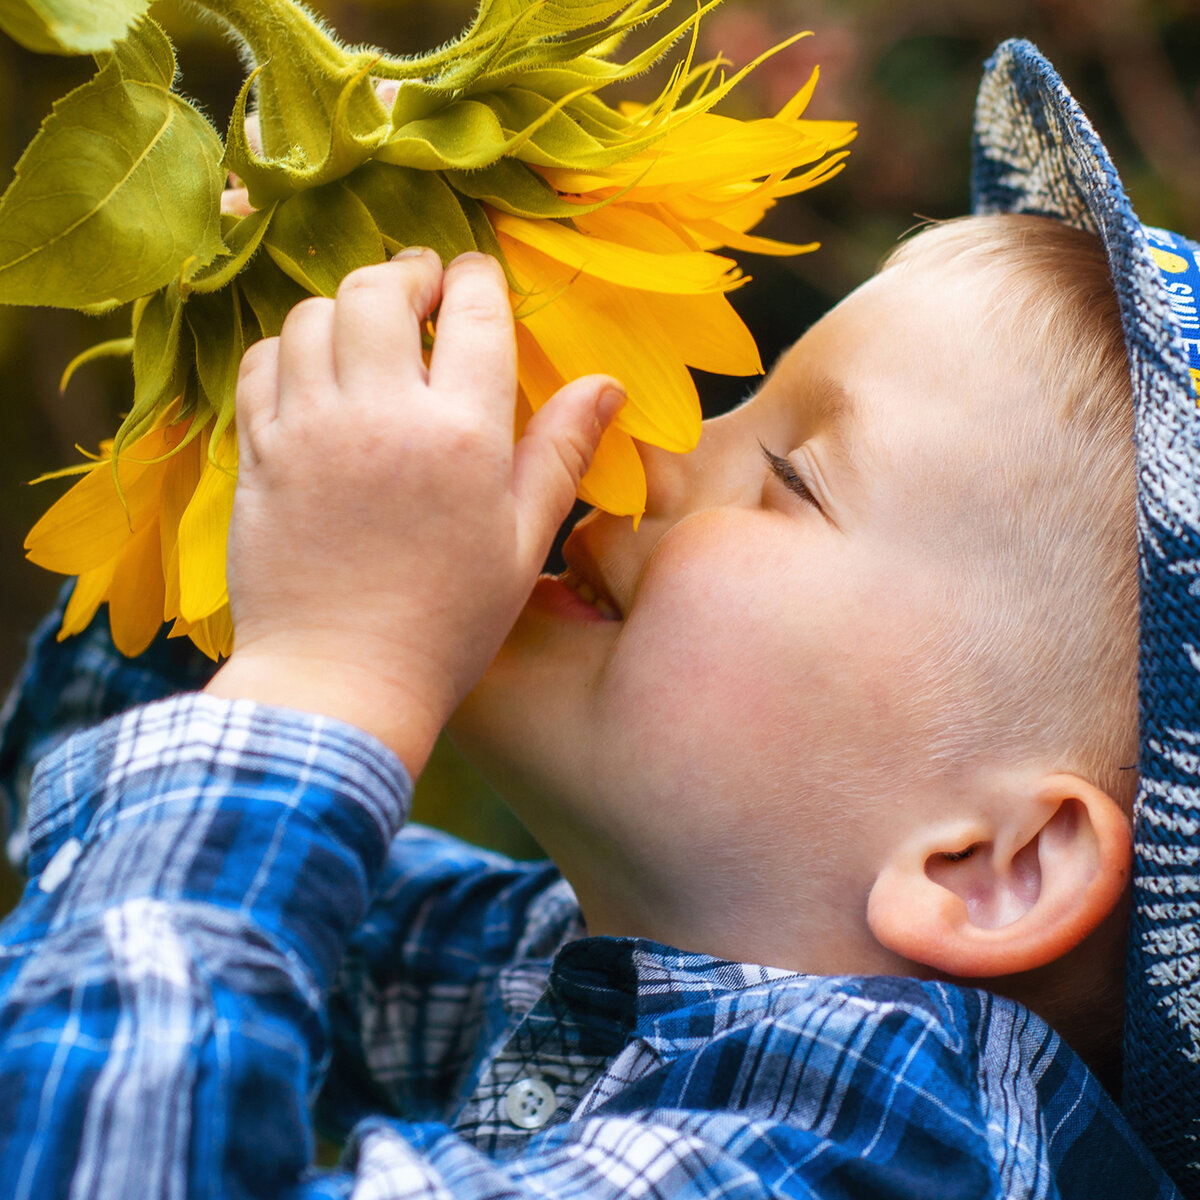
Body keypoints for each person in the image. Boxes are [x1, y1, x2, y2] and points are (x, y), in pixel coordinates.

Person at [0, 38, 1195, 1200]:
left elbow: (99, 1152)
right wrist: (284, 443)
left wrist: (335, 659)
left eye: (790, 475)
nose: (654, 451)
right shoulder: (607, 974)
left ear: (995, 864)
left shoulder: (871, 1144)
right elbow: (91, 824)